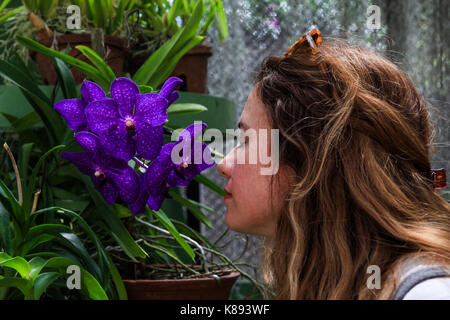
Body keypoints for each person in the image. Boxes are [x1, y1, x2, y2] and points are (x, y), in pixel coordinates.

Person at [216, 29, 450, 300]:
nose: (224, 164)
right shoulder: (342, 282)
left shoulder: (426, 293)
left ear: (312, 164)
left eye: (246, 139)